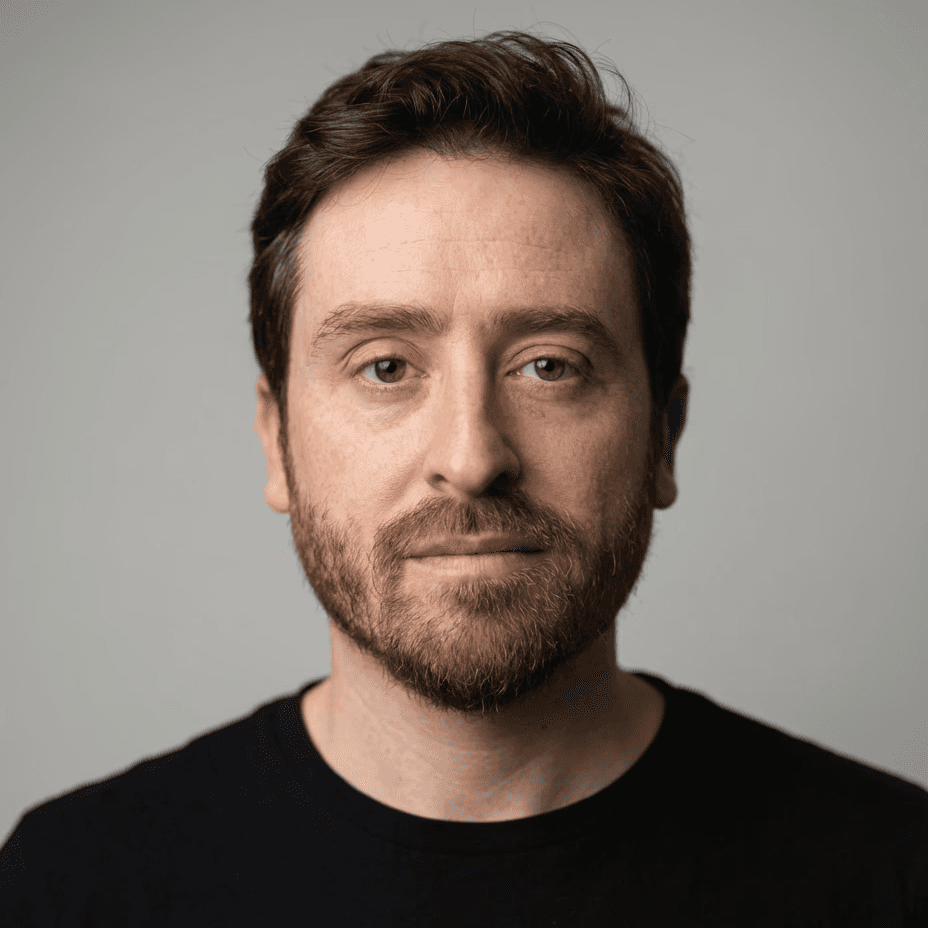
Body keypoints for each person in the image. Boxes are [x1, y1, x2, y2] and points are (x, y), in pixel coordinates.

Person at [2, 30, 926, 927]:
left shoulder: (895, 876)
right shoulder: (70, 890)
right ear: (277, 440)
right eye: (385, 367)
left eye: (549, 366)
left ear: (663, 438)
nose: (474, 458)